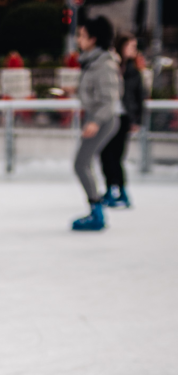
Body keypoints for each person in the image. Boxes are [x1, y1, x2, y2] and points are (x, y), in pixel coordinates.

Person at [70, 16, 121, 232]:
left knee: (81, 163)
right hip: (97, 118)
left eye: (82, 35)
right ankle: (96, 208)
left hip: (103, 120)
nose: (78, 39)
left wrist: (95, 122)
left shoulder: (103, 65)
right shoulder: (92, 61)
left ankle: (97, 212)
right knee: (84, 163)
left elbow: (109, 100)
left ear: (93, 39)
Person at [99, 34, 144, 210]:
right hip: (108, 116)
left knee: (117, 156)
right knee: (105, 154)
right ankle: (110, 188)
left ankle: (122, 191)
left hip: (124, 118)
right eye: (131, 46)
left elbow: (139, 97)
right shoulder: (111, 66)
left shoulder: (134, 71)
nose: (134, 50)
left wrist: (137, 120)